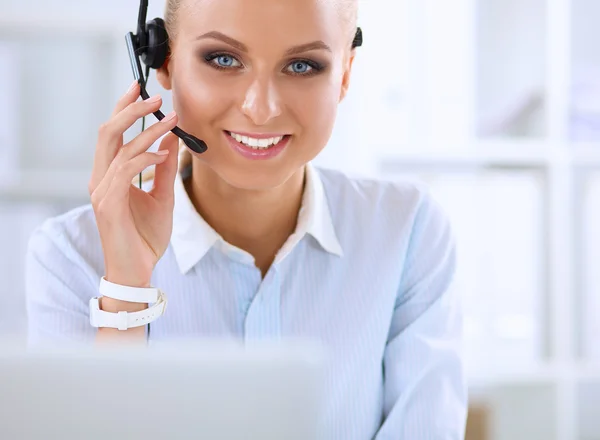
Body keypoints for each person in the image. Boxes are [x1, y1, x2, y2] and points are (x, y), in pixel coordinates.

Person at [25, 0, 467, 438]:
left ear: (345, 74)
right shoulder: (71, 255)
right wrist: (126, 288)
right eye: (223, 59)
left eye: (302, 66)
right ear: (161, 61)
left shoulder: (407, 231)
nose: (261, 108)